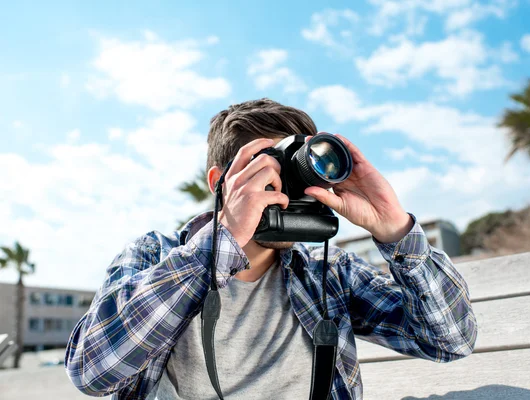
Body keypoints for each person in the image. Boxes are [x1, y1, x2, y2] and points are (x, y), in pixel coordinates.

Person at [65, 99, 477, 400]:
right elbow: (92, 371)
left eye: (295, 168)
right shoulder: (155, 255)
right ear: (219, 182)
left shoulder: (327, 273)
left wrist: (396, 229)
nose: (285, 191)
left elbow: (450, 340)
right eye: (268, 169)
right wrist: (220, 243)